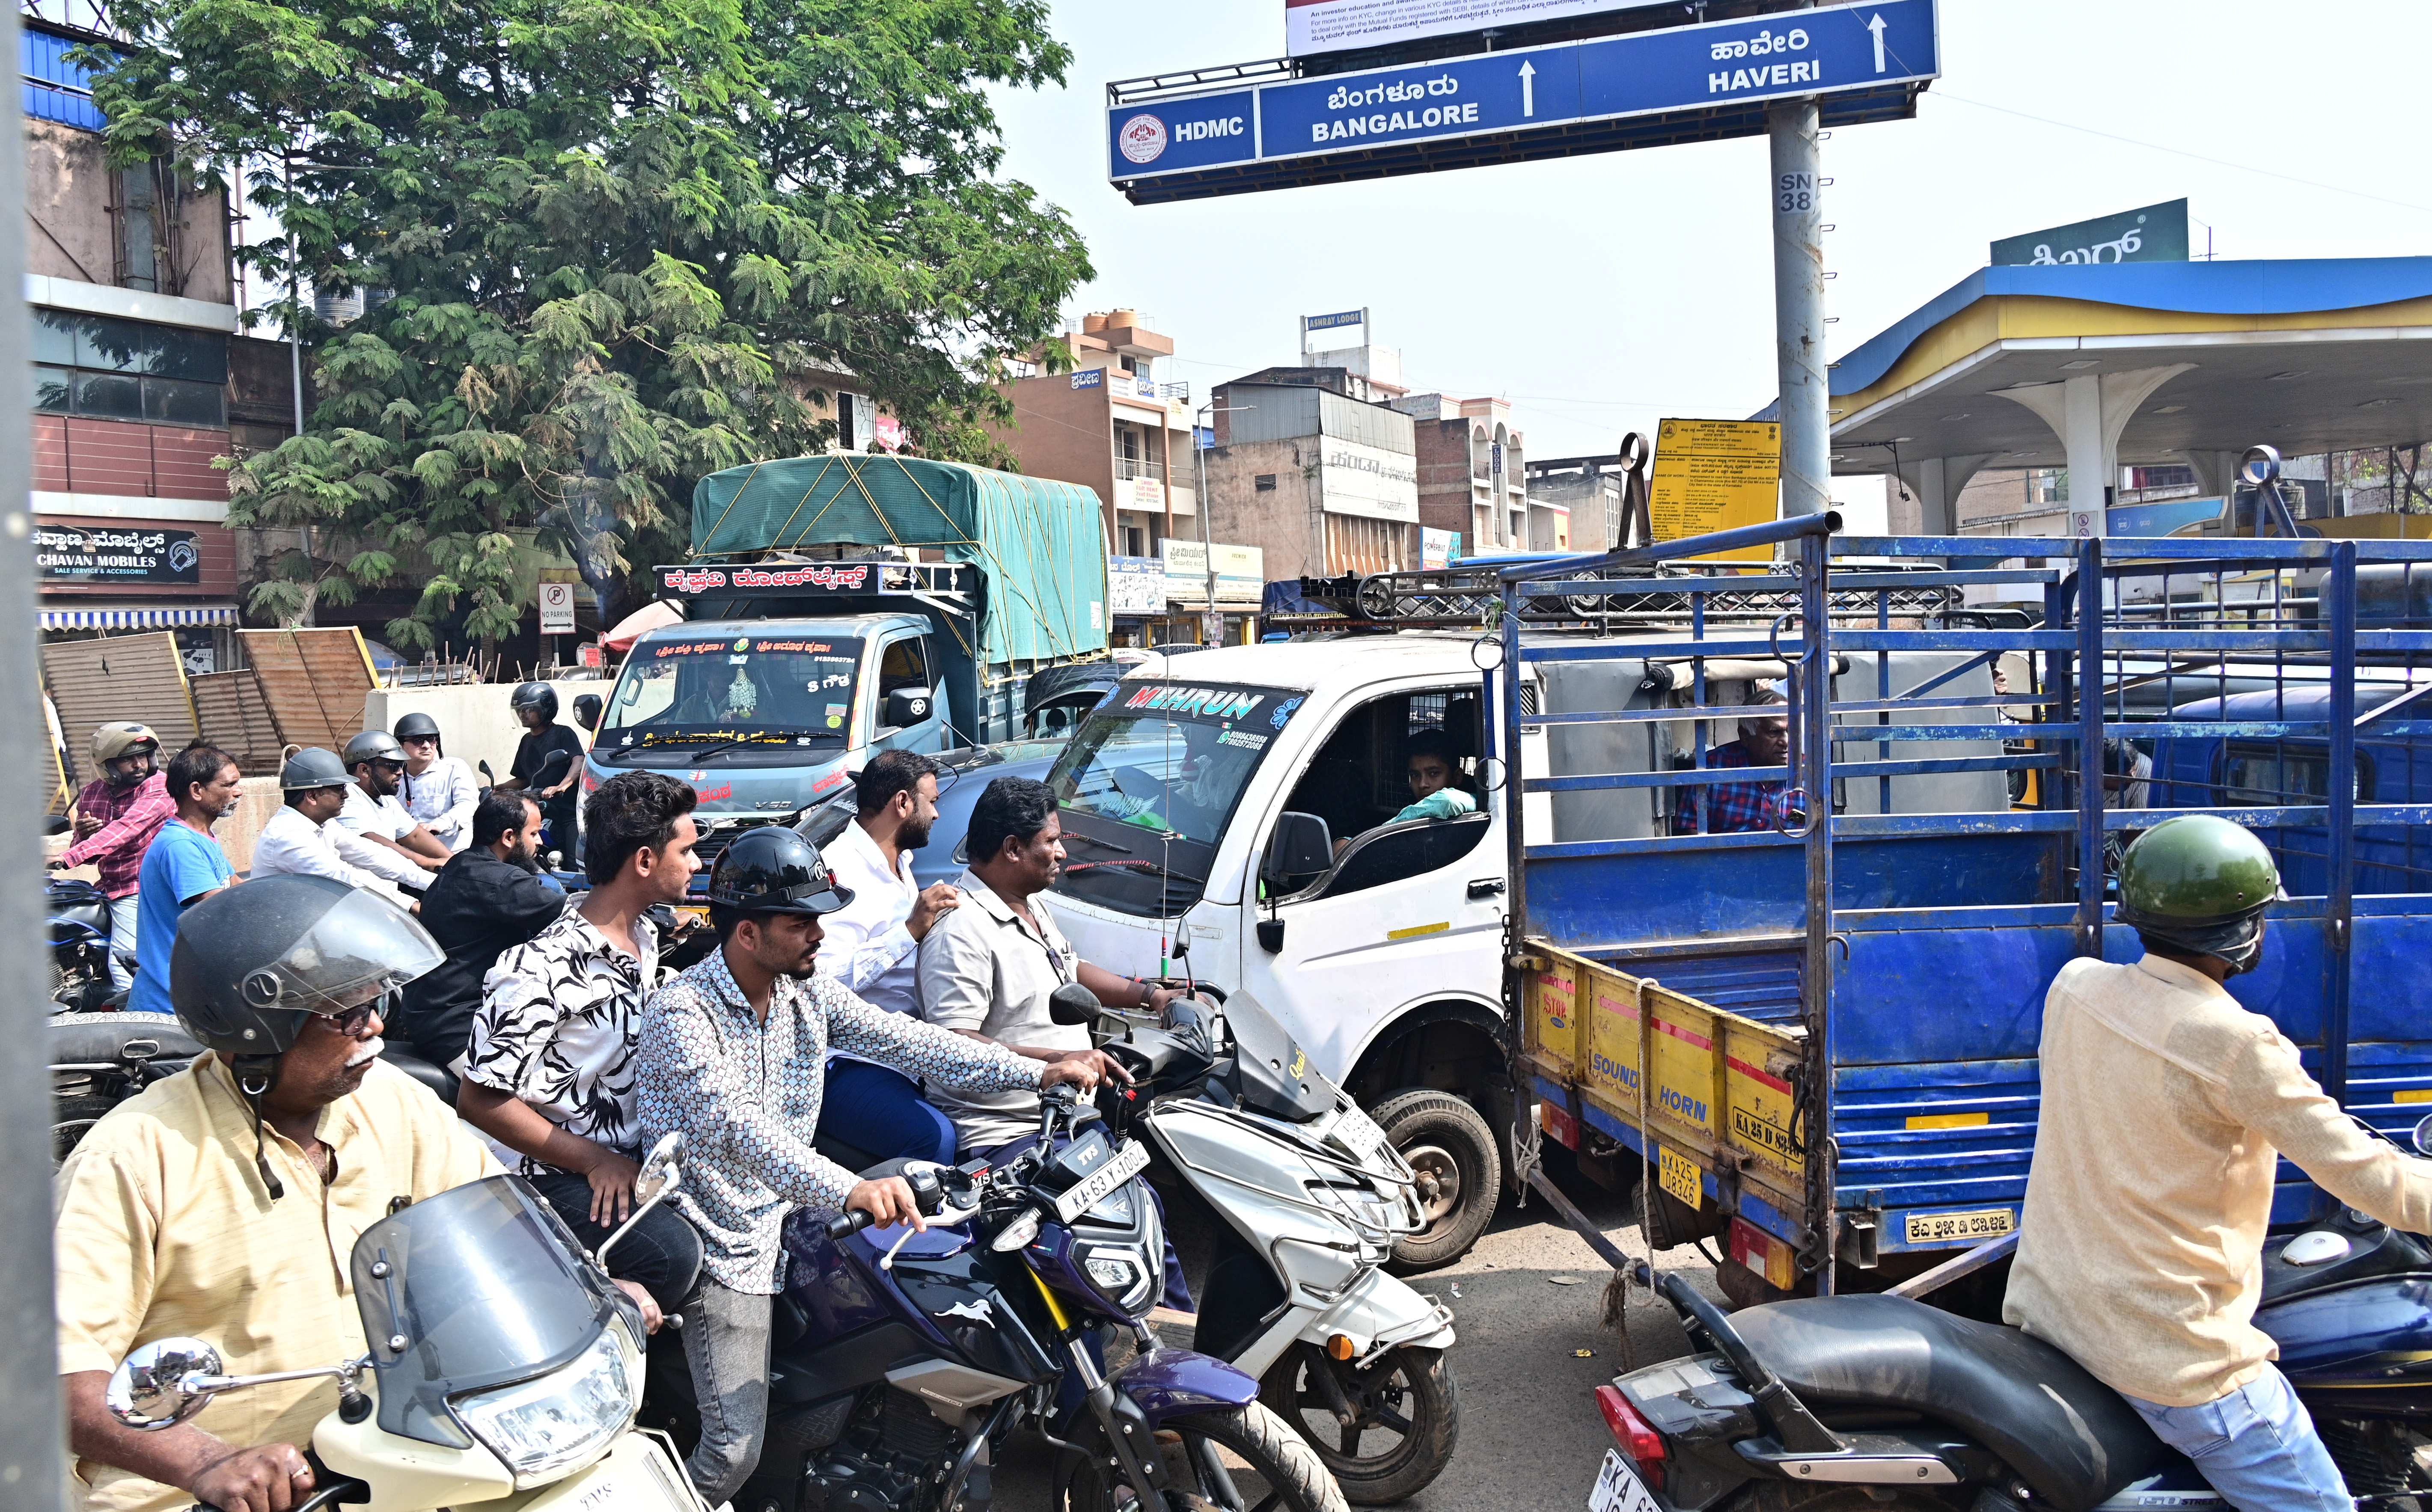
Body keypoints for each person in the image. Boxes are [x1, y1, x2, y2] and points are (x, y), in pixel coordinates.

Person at [637, 826, 1094, 1504]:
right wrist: (852, 1186)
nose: (821, 932)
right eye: (803, 921)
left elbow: (913, 1041)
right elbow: (744, 1132)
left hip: (796, 1216)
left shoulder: (805, 994)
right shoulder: (684, 1013)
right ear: (746, 935)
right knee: (733, 1448)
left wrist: (1036, 1070)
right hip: (723, 1235)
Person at [2004, 814, 2432, 1512]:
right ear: (2248, 932)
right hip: (2171, 1355)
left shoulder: (2074, 987)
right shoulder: (2236, 1043)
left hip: (2057, 1314)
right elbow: (2370, 1178)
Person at [54, 875, 502, 1512]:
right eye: (345, 1011)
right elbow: (58, 1374)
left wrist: (585, 1290)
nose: (373, 1025)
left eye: (377, 1000)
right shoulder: (135, 1154)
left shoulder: (393, 1102)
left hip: (388, 1466)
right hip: (197, 1497)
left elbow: (493, 1222)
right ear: (257, 1028)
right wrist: (208, 1462)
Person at [914, 775, 1192, 1306]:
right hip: (1008, 1134)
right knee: (1116, 1230)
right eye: (1051, 840)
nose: (1063, 851)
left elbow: (1071, 970)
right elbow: (952, 1045)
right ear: (1013, 849)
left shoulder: (1028, 905)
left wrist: (1150, 995)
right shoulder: (961, 930)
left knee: (1147, 1217)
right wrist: (1057, 1060)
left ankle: (1170, 1360)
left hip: (1065, 1122)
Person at [458, 771, 705, 1316]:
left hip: (633, 1158)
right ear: (644, 860)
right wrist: (594, 1160)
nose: (697, 864)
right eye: (687, 851)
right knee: (673, 1255)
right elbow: (479, 1100)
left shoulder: (644, 938)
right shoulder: (541, 966)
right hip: (549, 1172)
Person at [817, 750, 965, 1164]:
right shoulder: (839, 869)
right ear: (902, 802)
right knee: (935, 1139)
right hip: (849, 1061)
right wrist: (908, 932)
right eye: (931, 801)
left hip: (905, 1052)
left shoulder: (901, 861)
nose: (936, 814)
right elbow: (819, 981)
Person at [394, 790, 566, 1073]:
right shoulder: (500, 881)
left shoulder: (461, 866)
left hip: (432, 1012)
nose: (539, 843)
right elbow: (576, 916)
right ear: (509, 837)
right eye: (534, 834)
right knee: (544, 1095)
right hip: (457, 1027)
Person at [54, 721, 174, 994]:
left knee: (124, 963)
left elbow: (127, 828)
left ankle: (134, 1022)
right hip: (108, 887)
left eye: (143, 756)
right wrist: (82, 838)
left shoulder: (159, 788)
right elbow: (89, 856)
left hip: (142, 885)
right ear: (107, 765)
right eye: (127, 760)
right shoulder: (91, 793)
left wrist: (65, 857)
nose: (139, 765)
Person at [129, 743, 242, 1019]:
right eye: (229, 785)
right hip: (173, 1009)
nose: (238, 792)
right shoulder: (180, 845)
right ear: (196, 791)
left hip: (199, 997)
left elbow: (239, 889)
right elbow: (221, 910)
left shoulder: (202, 837)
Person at [249, 748, 411, 903]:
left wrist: (429, 879)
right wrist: (412, 906)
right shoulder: (288, 835)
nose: (346, 795)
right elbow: (344, 877)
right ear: (312, 796)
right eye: (340, 789)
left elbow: (373, 855)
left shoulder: (325, 824)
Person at [333, 729, 448, 893]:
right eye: (394, 766)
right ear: (364, 770)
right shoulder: (348, 797)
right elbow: (370, 841)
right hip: (357, 896)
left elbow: (414, 836)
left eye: (402, 765)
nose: (401, 772)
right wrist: (426, 862)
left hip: (388, 895)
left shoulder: (384, 797)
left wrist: (454, 861)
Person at [1677, 688, 1794, 835]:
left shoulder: (1809, 771)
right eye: (1774, 732)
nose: (1786, 741)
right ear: (1745, 736)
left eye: (1792, 731)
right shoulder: (1711, 768)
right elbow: (1688, 829)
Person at [495, 682, 585, 854]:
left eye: (528, 709)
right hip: (540, 810)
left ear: (546, 708)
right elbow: (523, 779)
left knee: (575, 861)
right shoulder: (526, 741)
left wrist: (562, 786)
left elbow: (579, 760)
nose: (523, 714)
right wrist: (499, 789)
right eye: (520, 710)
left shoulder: (562, 733)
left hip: (566, 813)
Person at [393, 711, 480, 851]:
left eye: (432, 739)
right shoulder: (392, 775)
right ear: (400, 744)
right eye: (418, 741)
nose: (427, 746)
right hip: (406, 856)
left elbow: (468, 806)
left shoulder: (455, 768)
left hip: (451, 855)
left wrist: (439, 825)